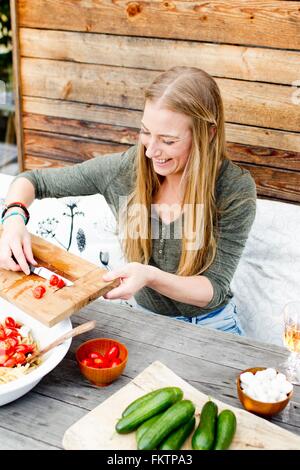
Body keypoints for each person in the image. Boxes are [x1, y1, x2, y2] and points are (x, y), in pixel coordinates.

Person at [0, 66, 256, 335]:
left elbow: (213, 290)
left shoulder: (233, 188)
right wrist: (14, 219)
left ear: (208, 134)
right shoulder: (126, 169)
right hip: (145, 324)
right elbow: (33, 182)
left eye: (168, 141)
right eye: (146, 132)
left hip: (212, 327)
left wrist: (150, 276)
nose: (151, 151)